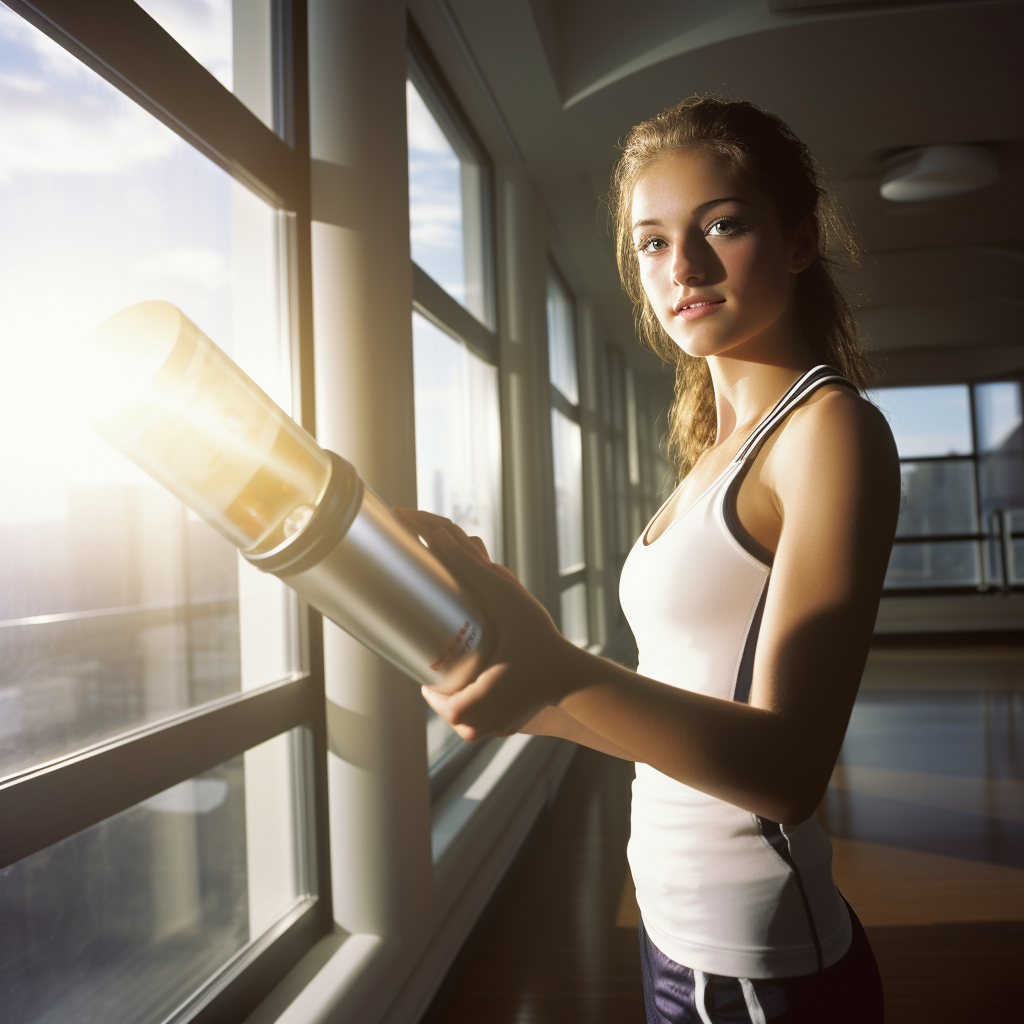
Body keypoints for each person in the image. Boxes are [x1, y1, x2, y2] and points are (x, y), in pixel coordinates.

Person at [398, 95, 899, 1024]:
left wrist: (556, 669)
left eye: (724, 224)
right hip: (677, 929)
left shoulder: (829, 431)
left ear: (796, 241)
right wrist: (538, 696)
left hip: (757, 962)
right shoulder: (718, 447)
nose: (687, 267)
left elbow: (789, 773)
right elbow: (684, 715)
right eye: (654, 242)